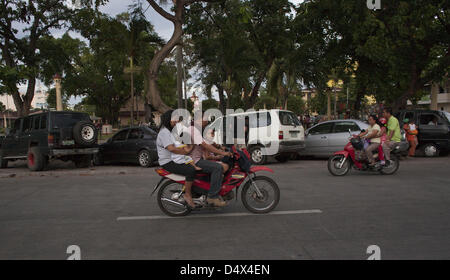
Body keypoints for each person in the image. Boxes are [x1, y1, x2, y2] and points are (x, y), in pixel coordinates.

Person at [187, 111, 233, 207]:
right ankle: (212, 196)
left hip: (197, 159)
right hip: (195, 161)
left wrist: (221, 147)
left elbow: (208, 141)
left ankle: (212, 189)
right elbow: (205, 145)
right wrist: (223, 153)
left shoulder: (197, 129)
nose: (207, 121)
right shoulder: (193, 130)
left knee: (221, 166)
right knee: (218, 168)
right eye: (206, 119)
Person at [156, 110, 197, 208]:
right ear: (167, 120)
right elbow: (172, 149)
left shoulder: (170, 131)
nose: (176, 121)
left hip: (175, 159)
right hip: (168, 162)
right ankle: (187, 194)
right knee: (190, 170)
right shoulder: (164, 132)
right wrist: (186, 151)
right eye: (173, 119)